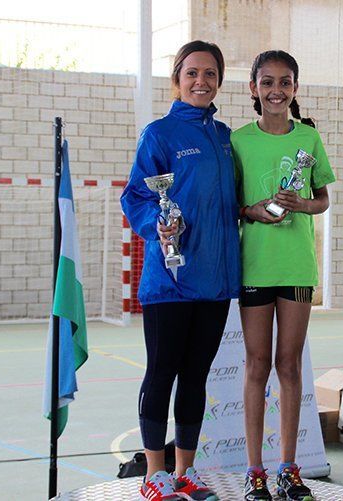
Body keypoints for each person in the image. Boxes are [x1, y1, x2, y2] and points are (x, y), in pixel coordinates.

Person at [121, 40, 240, 501]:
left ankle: (185, 470)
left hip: (214, 281)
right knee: (162, 372)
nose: (201, 81)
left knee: (196, 377)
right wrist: (160, 226)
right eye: (192, 73)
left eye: (210, 74)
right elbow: (135, 197)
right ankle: (155, 474)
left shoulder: (227, 138)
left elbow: (232, 200)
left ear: (219, 82)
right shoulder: (159, 134)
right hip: (169, 282)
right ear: (177, 79)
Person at [231, 50, 336, 501]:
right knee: (256, 364)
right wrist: (251, 211)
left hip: (295, 267)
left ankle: (288, 469)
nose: (277, 90)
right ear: (253, 88)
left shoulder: (309, 138)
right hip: (254, 266)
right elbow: (231, 204)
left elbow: (323, 200)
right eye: (268, 82)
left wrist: (299, 204)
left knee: (288, 365)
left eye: (285, 82)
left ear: (295, 88)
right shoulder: (238, 141)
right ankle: (255, 472)